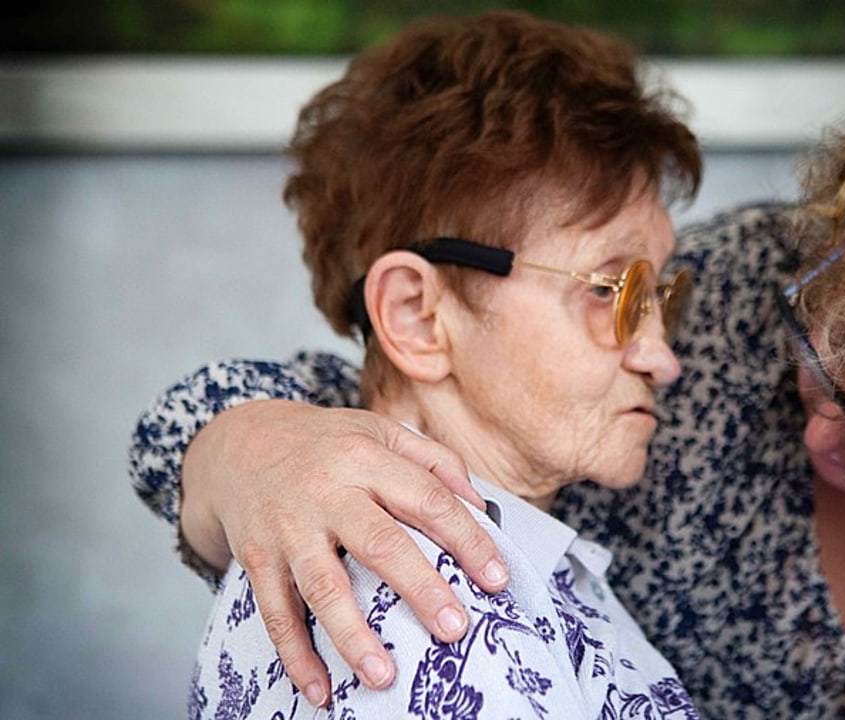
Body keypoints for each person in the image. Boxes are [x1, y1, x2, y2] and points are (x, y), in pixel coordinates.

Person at [132, 45, 845, 718]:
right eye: (821, 361)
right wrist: (240, 444)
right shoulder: (421, 608)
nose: (822, 428)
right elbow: (398, 384)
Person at [176, 10, 706, 717]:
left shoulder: (498, 560)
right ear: (417, 317)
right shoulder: (421, 611)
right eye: (614, 289)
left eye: (660, 294)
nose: (661, 357)